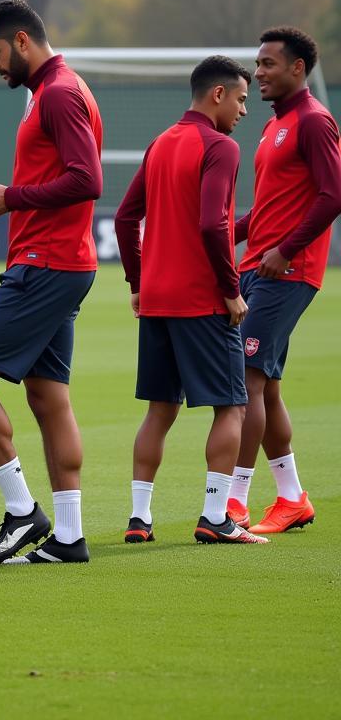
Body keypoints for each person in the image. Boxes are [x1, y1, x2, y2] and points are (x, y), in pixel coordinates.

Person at [0, 0, 102, 566]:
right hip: (61, 262)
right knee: (48, 397)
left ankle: (21, 512)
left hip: (46, 262)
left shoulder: (59, 92)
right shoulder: (55, 89)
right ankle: (68, 537)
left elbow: (87, 179)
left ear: (21, 40)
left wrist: (9, 196)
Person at [115, 55, 267, 545]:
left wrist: (138, 284)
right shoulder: (219, 146)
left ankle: (139, 519)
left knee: (160, 409)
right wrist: (229, 290)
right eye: (242, 99)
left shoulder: (161, 142)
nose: (246, 110)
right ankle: (216, 517)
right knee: (232, 407)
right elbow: (210, 223)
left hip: (157, 299)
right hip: (202, 301)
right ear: (217, 94)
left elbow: (123, 218)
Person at [226, 27, 341, 534]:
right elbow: (270, 209)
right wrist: (224, 235)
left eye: (270, 63)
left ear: (299, 68)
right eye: (258, 63)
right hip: (259, 266)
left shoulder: (314, 122)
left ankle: (233, 503)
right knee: (265, 386)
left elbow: (334, 194)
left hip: (287, 271)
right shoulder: (276, 126)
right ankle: (292, 498)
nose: (260, 72)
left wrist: (286, 251)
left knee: (246, 379)